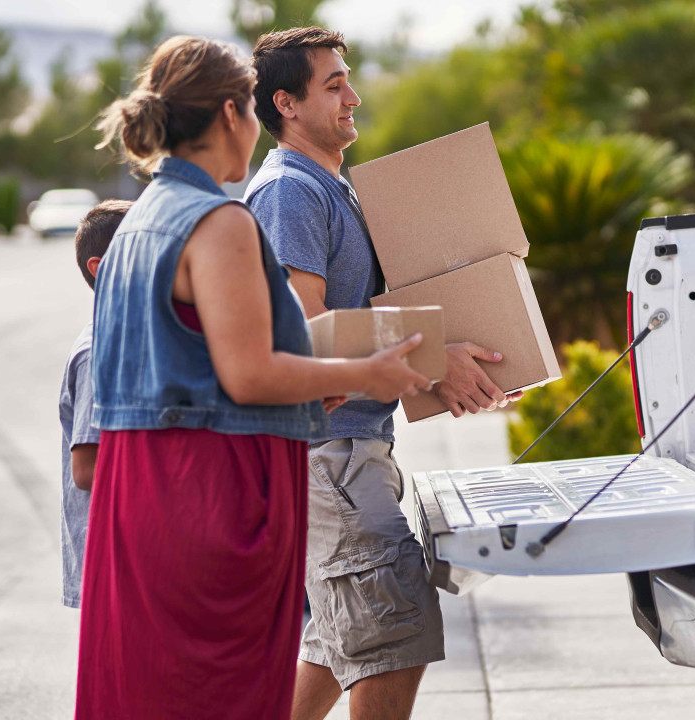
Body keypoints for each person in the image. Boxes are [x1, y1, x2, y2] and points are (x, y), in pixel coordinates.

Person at [76, 35, 432, 720]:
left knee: (153, 694)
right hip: (208, 495)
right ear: (232, 114)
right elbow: (248, 374)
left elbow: (191, 369)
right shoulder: (218, 221)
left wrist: (313, 385)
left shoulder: (138, 221)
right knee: (224, 696)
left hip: (139, 493)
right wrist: (370, 370)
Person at [246, 27, 520, 720]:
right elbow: (306, 333)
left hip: (350, 449)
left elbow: (362, 316)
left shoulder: (332, 189)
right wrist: (434, 359)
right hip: (327, 454)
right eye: (334, 85)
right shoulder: (288, 193)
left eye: (349, 81)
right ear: (286, 104)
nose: (354, 98)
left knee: (339, 642)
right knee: (395, 634)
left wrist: (466, 366)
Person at [57, 199, 131, 610]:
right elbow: (87, 469)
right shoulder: (101, 350)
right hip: (113, 557)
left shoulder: (132, 337)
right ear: (101, 269)